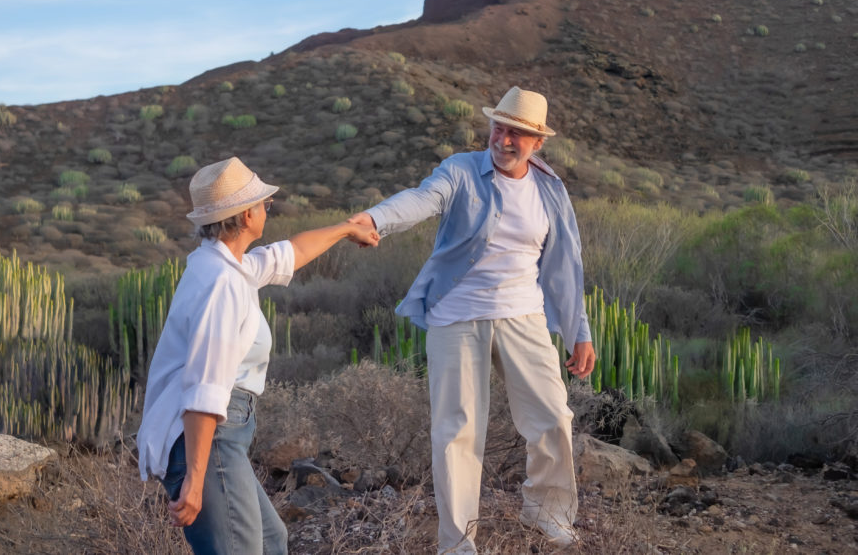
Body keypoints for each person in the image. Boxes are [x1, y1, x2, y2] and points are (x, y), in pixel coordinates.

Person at [350, 86, 595, 551]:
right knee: (457, 433)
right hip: (457, 316)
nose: (503, 140)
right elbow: (423, 199)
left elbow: (566, 264)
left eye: (516, 134)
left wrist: (578, 331)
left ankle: (547, 512)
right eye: (498, 128)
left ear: (538, 142)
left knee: (553, 417)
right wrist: (375, 219)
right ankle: (458, 542)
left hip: (523, 314)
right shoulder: (461, 170)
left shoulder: (550, 189)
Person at [137, 156, 380, 555]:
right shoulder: (222, 283)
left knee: (270, 541)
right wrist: (195, 481)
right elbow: (204, 388)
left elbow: (287, 253)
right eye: (264, 204)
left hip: (221, 437)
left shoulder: (224, 267)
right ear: (246, 214)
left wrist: (345, 229)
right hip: (209, 438)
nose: (268, 209)